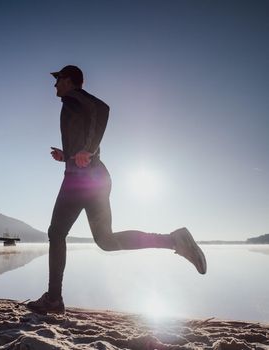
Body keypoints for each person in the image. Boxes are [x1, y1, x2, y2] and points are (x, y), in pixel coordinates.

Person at [27, 65, 207, 315]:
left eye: (58, 80)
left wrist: (88, 149)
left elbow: (102, 109)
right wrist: (67, 154)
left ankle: (54, 299)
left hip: (81, 179)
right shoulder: (72, 102)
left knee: (56, 233)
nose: (54, 85)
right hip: (96, 177)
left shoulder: (73, 97)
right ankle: (173, 240)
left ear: (69, 81)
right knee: (105, 240)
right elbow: (85, 135)